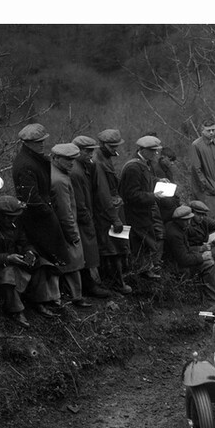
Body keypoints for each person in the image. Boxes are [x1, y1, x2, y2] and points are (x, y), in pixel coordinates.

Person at [0, 196, 61, 327]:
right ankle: (16, 311)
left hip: (17, 260)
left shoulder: (15, 225)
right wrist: (7, 258)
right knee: (8, 275)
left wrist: (30, 253)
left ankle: (38, 301)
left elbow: (25, 242)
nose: (12, 220)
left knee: (41, 263)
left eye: (14, 217)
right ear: (1, 216)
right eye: (9, 217)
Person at [11, 123, 68, 268]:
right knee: (43, 260)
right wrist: (48, 212)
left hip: (42, 217)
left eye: (43, 141)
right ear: (27, 143)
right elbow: (31, 199)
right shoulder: (26, 165)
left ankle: (58, 289)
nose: (42, 144)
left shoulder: (34, 160)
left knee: (51, 259)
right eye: (38, 142)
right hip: (37, 221)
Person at [49, 143, 90, 308]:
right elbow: (65, 211)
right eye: (67, 159)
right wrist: (72, 233)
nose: (71, 163)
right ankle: (74, 297)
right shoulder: (59, 180)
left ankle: (69, 296)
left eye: (73, 159)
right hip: (63, 229)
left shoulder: (57, 172)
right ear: (55, 158)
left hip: (59, 228)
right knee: (71, 262)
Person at [70, 135, 111, 299]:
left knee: (89, 252)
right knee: (86, 252)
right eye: (87, 152)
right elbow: (79, 201)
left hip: (89, 214)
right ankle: (89, 286)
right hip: (82, 218)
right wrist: (87, 218)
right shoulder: (76, 171)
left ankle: (91, 283)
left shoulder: (86, 167)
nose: (90, 155)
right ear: (77, 151)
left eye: (91, 151)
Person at [92, 128, 132, 294]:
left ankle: (118, 280)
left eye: (117, 145)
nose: (115, 149)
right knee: (112, 248)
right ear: (102, 144)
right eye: (112, 146)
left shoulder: (105, 158)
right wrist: (114, 218)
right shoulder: (98, 162)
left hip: (114, 209)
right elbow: (103, 193)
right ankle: (116, 283)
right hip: (107, 213)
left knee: (119, 246)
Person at [119, 135, 164, 281]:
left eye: (155, 151)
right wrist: (153, 196)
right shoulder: (133, 167)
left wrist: (158, 181)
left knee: (145, 240)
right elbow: (132, 195)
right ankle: (140, 272)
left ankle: (145, 269)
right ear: (142, 150)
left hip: (143, 211)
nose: (154, 154)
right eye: (151, 151)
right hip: (134, 213)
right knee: (139, 241)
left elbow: (146, 181)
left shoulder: (144, 163)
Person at [163, 205, 215, 307]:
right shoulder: (175, 234)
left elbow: (185, 249)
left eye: (189, 219)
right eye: (185, 220)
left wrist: (200, 249)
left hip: (179, 259)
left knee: (212, 256)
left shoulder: (177, 227)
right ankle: (213, 302)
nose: (189, 222)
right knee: (209, 263)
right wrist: (202, 257)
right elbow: (183, 259)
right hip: (175, 266)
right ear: (178, 220)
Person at [189, 120, 215, 226]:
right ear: (202, 130)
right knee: (207, 215)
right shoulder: (196, 145)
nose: (211, 133)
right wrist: (206, 185)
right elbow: (196, 169)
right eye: (208, 130)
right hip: (205, 189)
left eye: (213, 130)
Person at [186, 200, 215, 284]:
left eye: (203, 214)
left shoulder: (203, 220)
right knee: (214, 257)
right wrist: (200, 248)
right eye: (198, 214)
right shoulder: (187, 224)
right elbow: (183, 249)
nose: (201, 217)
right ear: (191, 212)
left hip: (205, 248)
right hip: (193, 255)